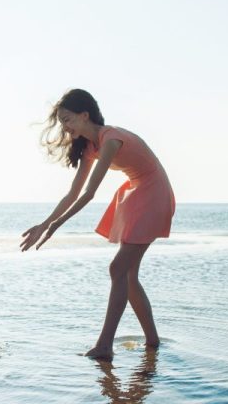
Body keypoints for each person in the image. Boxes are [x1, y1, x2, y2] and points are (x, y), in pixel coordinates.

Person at [20, 88, 175, 361]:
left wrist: (56, 225)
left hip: (153, 192)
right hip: (137, 192)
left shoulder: (110, 139)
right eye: (62, 122)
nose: (65, 127)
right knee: (127, 274)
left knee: (118, 268)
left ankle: (105, 345)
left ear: (84, 115)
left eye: (68, 119)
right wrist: (44, 224)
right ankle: (152, 341)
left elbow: (90, 193)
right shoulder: (89, 148)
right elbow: (73, 193)